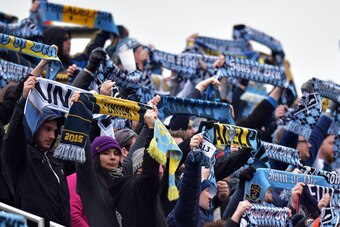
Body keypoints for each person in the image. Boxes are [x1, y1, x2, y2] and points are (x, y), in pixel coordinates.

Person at [3, 69, 70, 226]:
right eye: (47, 129)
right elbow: (14, 134)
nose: (53, 136)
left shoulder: (56, 160)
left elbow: (80, 148)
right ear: (35, 126)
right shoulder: (21, 154)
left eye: (54, 131)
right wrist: (23, 100)